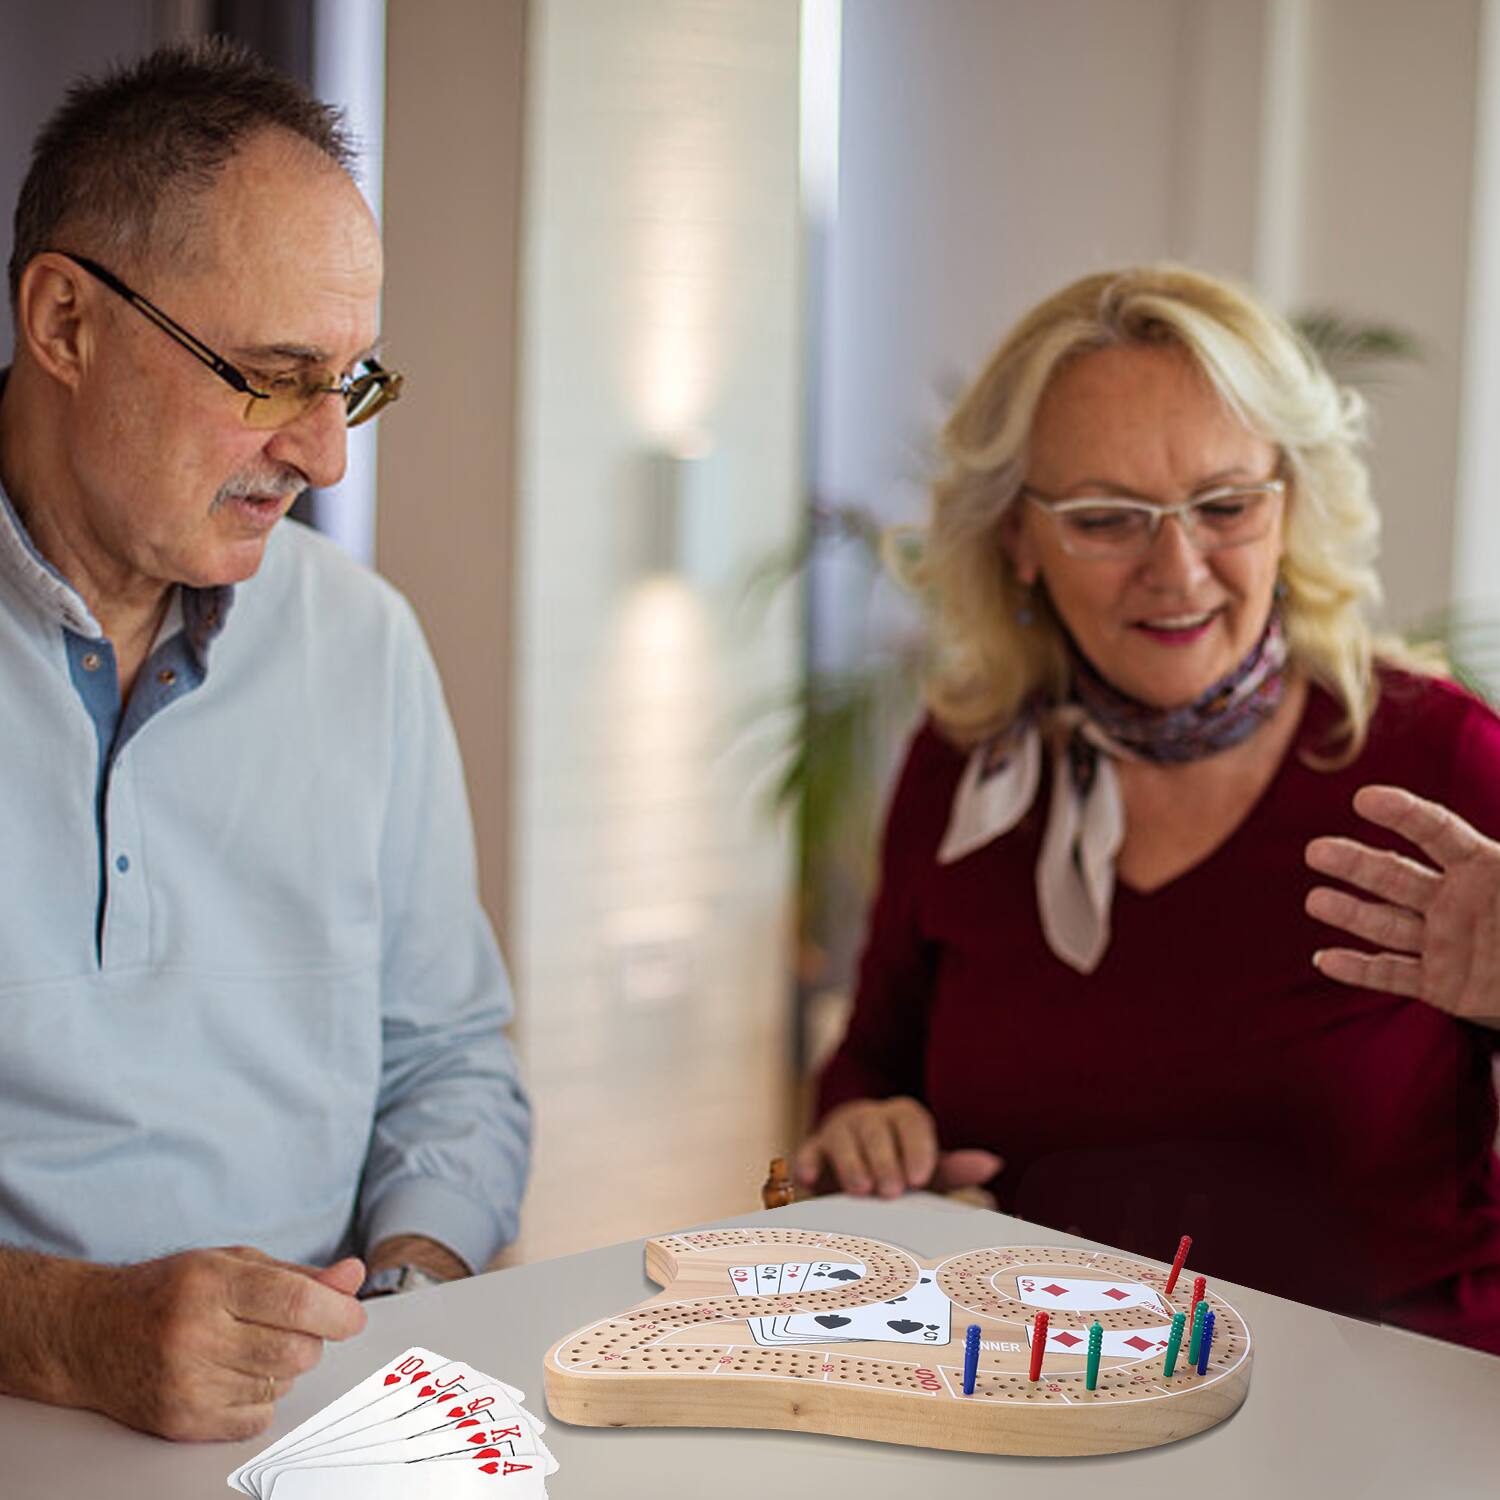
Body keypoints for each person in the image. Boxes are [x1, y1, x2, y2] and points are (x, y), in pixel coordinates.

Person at [794, 264, 1500, 1356]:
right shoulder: (964, 767)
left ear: (1289, 506)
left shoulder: (1437, 758)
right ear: (1017, 538)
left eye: (1225, 506)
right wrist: (865, 1129)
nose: (1176, 569)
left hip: (1387, 1408)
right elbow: (871, 1062)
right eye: (1105, 518)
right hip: (1053, 1395)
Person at [0, 42, 531, 1439]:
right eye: (273, 376)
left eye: (350, 381)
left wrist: (408, 1293)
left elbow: (449, 1063)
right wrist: (68, 1332)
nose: (326, 453)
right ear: (65, 322)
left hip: (325, 1409)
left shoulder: (364, 642)